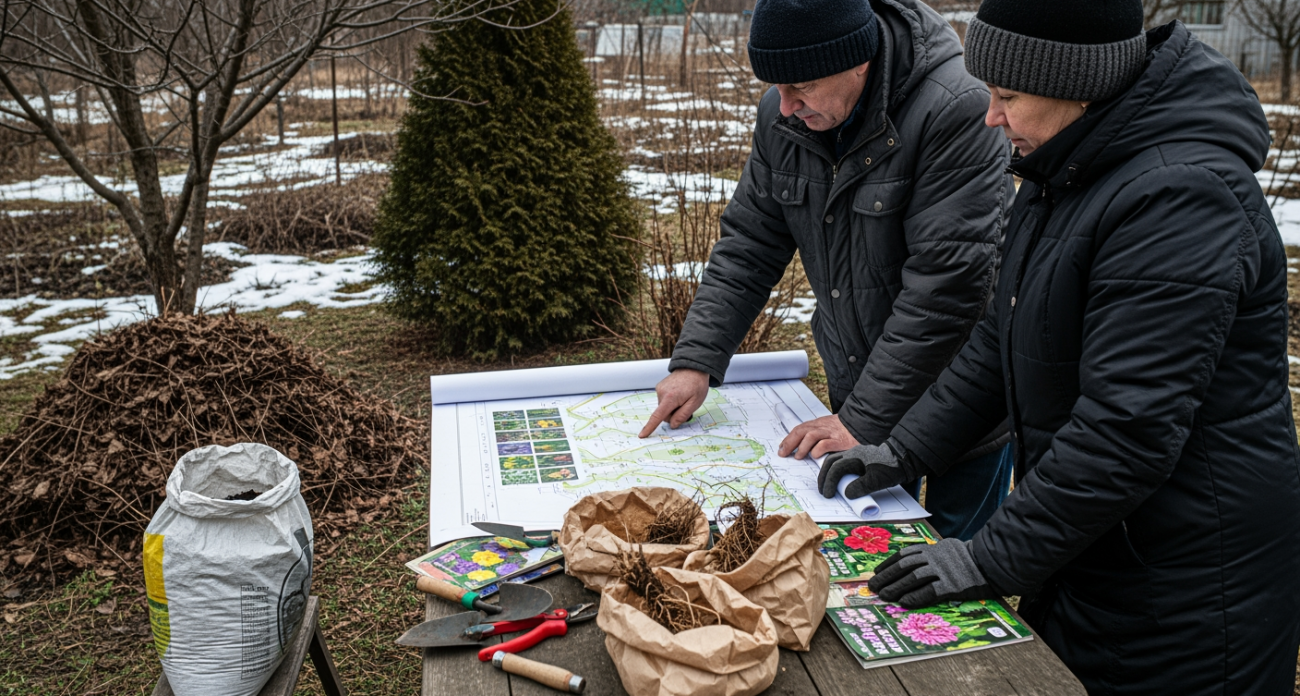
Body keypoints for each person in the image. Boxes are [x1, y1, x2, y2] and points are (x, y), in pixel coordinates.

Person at [822, 1, 1300, 692]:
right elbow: (998, 343)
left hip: (1190, 585)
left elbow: (1126, 430)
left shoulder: (1178, 195)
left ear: (1078, 84)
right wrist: (904, 451)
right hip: (1098, 549)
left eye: (1007, 96)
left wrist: (989, 558)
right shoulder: (1067, 171)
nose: (991, 117)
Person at [638, 0, 1014, 540]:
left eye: (801, 89)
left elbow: (947, 288)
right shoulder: (784, 114)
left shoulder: (957, 109)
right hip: (861, 380)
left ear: (857, 62)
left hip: (962, 399)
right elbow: (749, 244)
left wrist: (861, 419)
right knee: (874, 554)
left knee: (960, 571)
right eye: (777, 87)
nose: (785, 106)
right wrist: (697, 360)